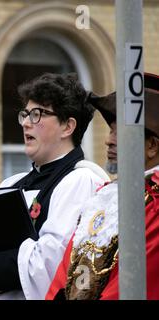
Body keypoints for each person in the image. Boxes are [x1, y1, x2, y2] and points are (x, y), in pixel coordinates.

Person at [0, 73, 109, 300]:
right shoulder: (12, 183)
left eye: (37, 114)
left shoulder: (81, 180)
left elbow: (54, 259)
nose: (26, 123)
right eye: (25, 114)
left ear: (68, 126)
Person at [46, 72, 159, 300]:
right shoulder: (105, 197)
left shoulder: (155, 205)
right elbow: (64, 273)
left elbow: (132, 286)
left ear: (152, 146)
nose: (109, 140)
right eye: (111, 130)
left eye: (121, 132)